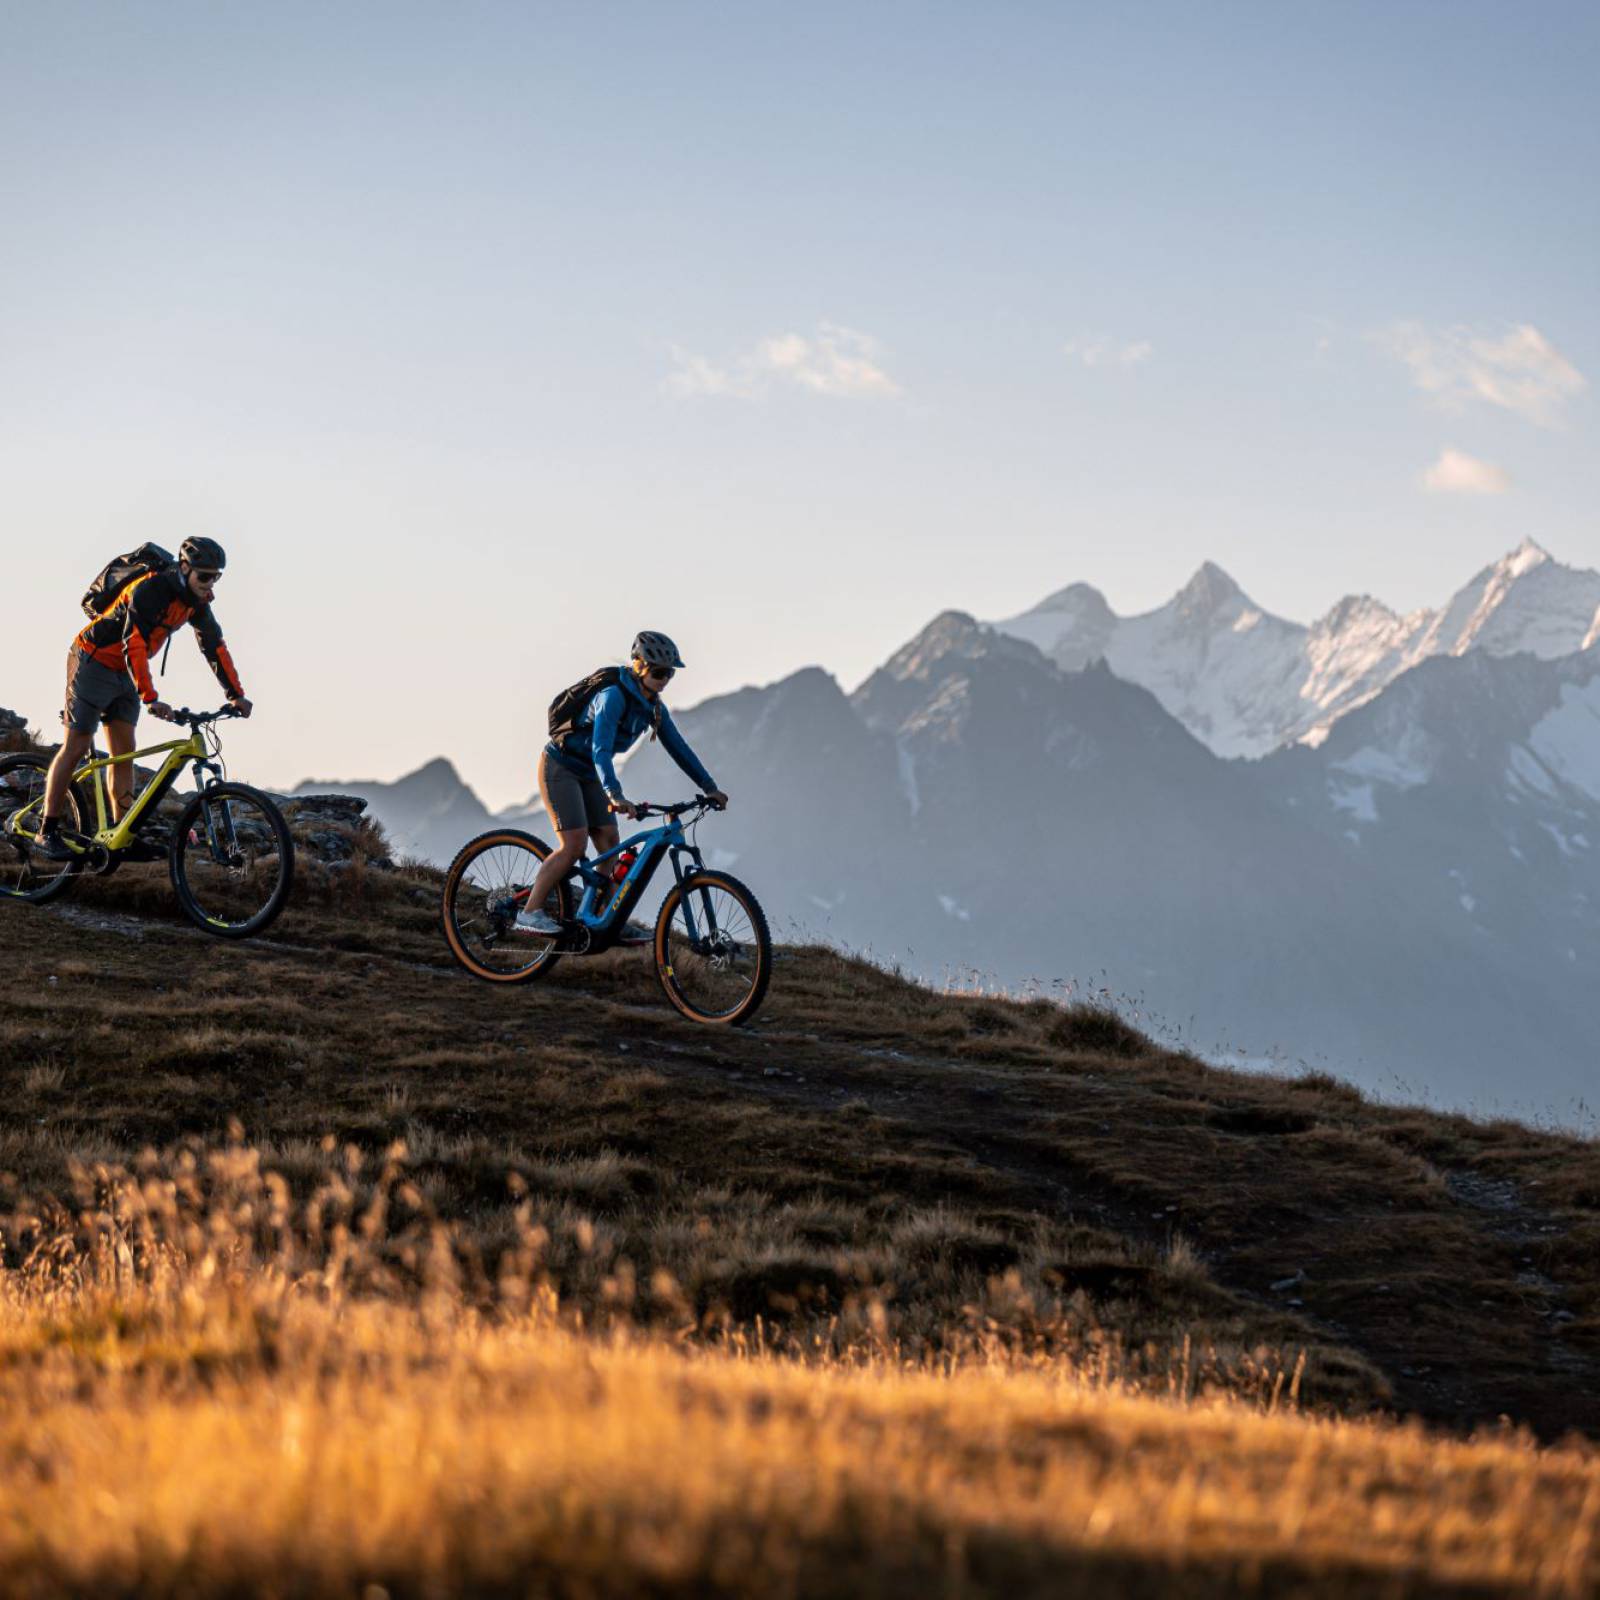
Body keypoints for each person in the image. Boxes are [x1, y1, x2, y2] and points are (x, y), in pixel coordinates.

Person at [37, 537, 253, 860]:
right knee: (78, 744)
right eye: (204, 576)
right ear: (184, 568)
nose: (210, 585)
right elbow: (134, 642)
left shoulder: (196, 603)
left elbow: (215, 647)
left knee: (124, 753)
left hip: (126, 672)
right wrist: (150, 697)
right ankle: (46, 829)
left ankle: (121, 835)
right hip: (93, 660)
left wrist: (236, 694)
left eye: (216, 577)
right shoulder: (150, 589)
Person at [516, 631, 727, 935]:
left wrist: (709, 787)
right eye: (658, 672)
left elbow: (679, 748)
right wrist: (615, 794)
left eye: (670, 673)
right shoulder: (612, 697)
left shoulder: (654, 707)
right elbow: (600, 750)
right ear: (639, 667)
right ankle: (530, 911)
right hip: (561, 767)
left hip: (590, 774)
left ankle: (597, 919)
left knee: (609, 846)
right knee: (574, 846)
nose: (665, 679)